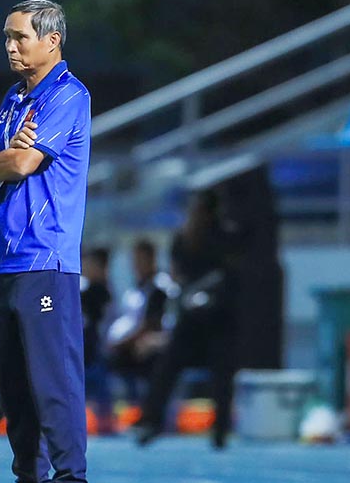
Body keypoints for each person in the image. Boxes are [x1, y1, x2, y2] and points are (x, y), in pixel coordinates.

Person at [0, 0, 93, 483]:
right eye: (7, 37)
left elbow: (17, 162)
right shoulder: (14, 98)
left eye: (20, 37)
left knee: (53, 384)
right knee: (15, 386)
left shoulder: (68, 95)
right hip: (5, 263)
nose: (11, 46)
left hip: (45, 261)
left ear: (51, 40)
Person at [135, 190, 241, 449]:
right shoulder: (205, 237)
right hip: (202, 317)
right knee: (183, 371)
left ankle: (156, 422)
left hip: (208, 317)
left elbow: (182, 274)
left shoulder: (207, 237)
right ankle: (214, 428)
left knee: (202, 373)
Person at [106, 239, 171, 404]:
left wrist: (121, 343)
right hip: (131, 344)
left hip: (149, 346)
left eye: (140, 260)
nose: (137, 265)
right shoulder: (137, 288)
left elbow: (151, 324)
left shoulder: (159, 288)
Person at [80, 247, 114, 434]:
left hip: (97, 351)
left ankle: (106, 421)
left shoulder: (101, 291)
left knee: (100, 388)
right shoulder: (85, 289)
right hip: (85, 350)